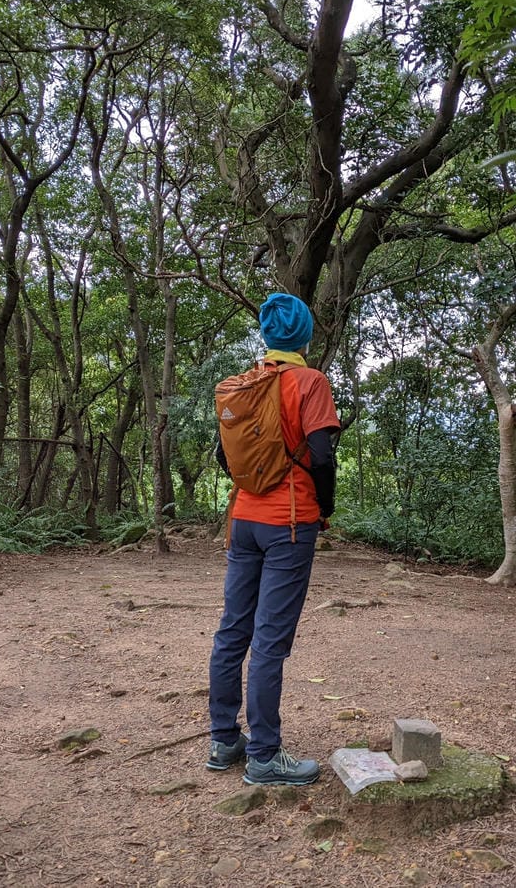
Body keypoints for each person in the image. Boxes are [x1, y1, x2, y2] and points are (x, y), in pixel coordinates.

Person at [207, 293, 340, 786]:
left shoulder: (243, 385)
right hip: (289, 523)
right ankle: (264, 755)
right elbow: (322, 457)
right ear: (304, 335)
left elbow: (224, 456)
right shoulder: (310, 383)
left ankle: (224, 741)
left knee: (232, 631)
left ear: (268, 336)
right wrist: (323, 508)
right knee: (268, 642)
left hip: (243, 519)